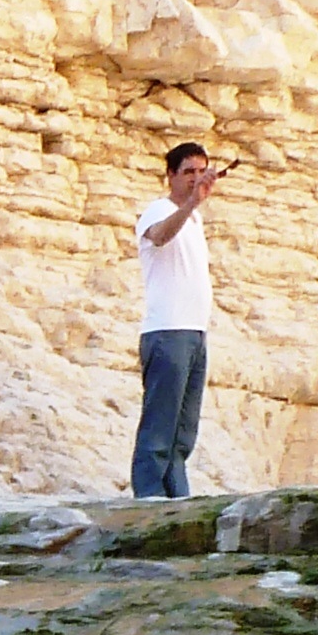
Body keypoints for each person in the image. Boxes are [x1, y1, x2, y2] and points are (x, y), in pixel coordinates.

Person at [130, 141, 220, 498]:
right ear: (170, 175)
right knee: (159, 427)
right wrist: (191, 203)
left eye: (202, 172)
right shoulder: (159, 210)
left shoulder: (194, 219)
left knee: (183, 429)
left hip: (195, 332)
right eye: (188, 173)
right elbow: (161, 237)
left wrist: (193, 207)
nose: (196, 179)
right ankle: (149, 497)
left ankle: (176, 497)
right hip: (168, 330)